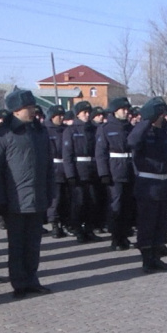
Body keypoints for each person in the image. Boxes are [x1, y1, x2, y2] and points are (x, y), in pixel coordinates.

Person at [0, 90, 53, 298]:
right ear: (16, 110)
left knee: (33, 244)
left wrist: (50, 192)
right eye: (29, 107)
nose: (33, 111)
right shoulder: (4, 134)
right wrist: (0, 200)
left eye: (33, 107)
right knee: (17, 245)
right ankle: (19, 283)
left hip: (37, 197)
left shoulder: (40, 132)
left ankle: (32, 280)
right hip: (14, 200)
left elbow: (48, 166)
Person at [128, 98, 167, 273]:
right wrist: (146, 121)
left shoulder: (163, 133)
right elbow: (132, 142)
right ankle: (147, 260)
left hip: (163, 183)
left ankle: (157, 257)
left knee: (161, 223)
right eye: (160, 114)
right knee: (147, 223)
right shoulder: (142, 133)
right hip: (148, 185)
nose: (164, 117)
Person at [95, 97, 135, 251]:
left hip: (130, 171)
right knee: (116, 206)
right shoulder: (105, 128)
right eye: (122, 109)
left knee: (128, 206)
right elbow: (101, 153)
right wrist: (104, 173)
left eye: (127, 109)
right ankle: (116, 237)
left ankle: (125, 235)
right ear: (115, 111)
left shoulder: (130, 128)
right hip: (114, 172)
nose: (126, 112)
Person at [63, 101, 102, 242]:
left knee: (92, 202)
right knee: (78, 204)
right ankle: (78, 230)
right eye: (84, 112)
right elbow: (67, 155)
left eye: (88, 112)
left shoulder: (94, 129)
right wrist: (70, 175)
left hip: (92, 171)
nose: (87, 115)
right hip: (78, 172)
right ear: (77, 114)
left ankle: (89, 230)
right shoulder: (71, 131)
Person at [44, 106, 70, 238]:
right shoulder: (45, 131)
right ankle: (54, 224)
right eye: (58, 115)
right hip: (54, 169)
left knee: (66, 199)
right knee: (55, 199)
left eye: (62, 115)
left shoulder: (66, 130)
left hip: (66, 168)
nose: (61, 117)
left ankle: (65, 223)